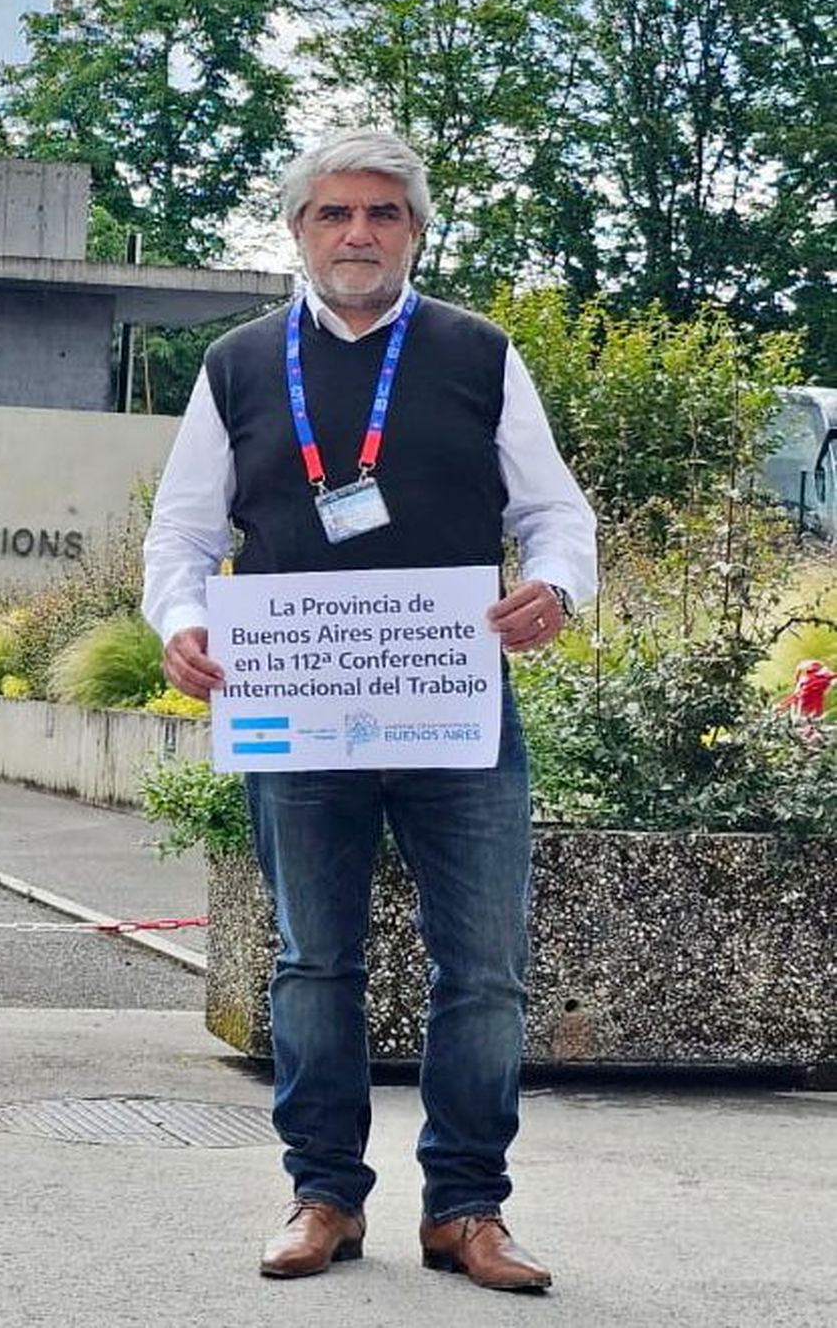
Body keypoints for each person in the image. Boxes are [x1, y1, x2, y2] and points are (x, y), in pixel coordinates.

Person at [142, 129, 596, 1291]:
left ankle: (467, 1210)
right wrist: (179, 623)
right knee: (311, 965)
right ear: (296, 229)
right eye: (334, 213)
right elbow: (184, 534)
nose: (358, 234)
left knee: (486, 969)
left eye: (383, 214)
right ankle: (324, 1197)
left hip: (455, 710)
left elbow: (556, 514)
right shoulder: (239, 364)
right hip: (295, 706)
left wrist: (557, 586)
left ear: (417, 231)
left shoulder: (479, 354)